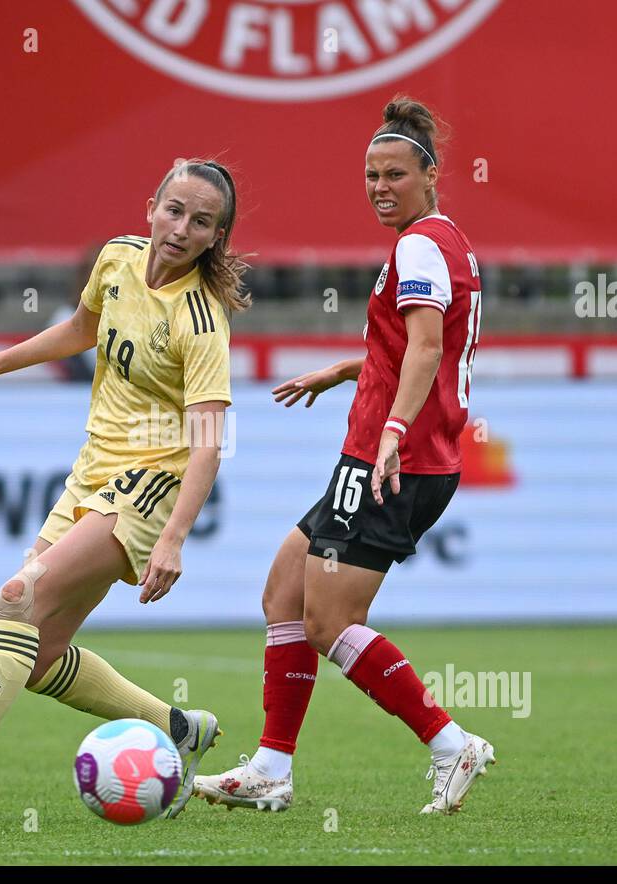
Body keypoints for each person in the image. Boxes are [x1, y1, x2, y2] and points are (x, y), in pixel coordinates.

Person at [0, 158, 250, 823]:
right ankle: (179, 729)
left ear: (215, 237)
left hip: (150, 485)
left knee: (18, 596)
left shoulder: (201, 320)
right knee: (42, 653)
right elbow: (82, 332)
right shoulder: (115, 260)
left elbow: (208, 442)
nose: (182, 228)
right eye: (174, 210)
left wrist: (173, 539)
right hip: (92, 475)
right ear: (151, 207)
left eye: (201, 222)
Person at [196, 95, 494, 815]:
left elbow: (425, 347)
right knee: (283, 593)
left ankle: (452, 744)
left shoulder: (419, 247)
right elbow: (411, 346)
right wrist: (337, 374)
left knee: (327, 621)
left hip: (395, 462)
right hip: (382, 457)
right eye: (370, 176)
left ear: (430, 173)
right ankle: (271, 767)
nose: (380, 188)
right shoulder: (446, 242)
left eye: (395, 174)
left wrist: (390, 432)